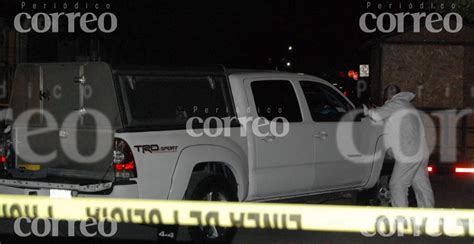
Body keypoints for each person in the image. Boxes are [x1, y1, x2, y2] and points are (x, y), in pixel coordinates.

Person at [364, 85, 434, 208]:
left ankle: (402, 219)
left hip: (409, 154)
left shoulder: (397, 103)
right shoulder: (407, 105)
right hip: (421, 152)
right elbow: (390, 116)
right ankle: (429, 218)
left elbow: (376, 115)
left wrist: (366, 110)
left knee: (397, 185)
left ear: (386, 95)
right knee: (422, 187)